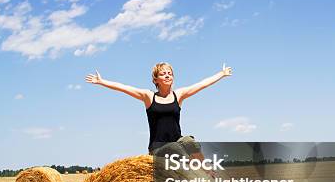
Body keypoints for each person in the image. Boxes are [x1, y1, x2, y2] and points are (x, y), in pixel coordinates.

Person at [85, 62, 232, 157]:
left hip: (177, 143)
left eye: (170, 73)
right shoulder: (148, 97)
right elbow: (124, 88)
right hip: (158, 148)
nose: (167, 75)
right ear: (155, 80)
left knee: (190, 141)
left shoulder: (178, 95)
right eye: (163, 73)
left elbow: (201, 85)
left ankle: (206, 172)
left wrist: (221, 74)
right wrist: (102, 82)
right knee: (177, 151)